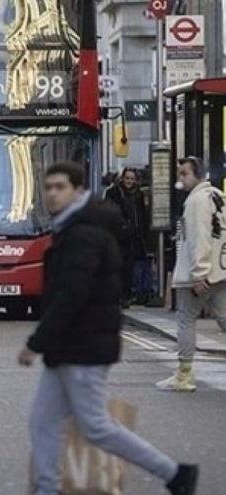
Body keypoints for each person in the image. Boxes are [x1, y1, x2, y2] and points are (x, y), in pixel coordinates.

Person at [18, 162, 198, 495]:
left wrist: (37, 342)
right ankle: (46, 488)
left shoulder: (84, 233)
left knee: (96, 427)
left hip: (84, 348)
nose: (53, 193)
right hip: (68, 347)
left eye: (60, 187)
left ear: (78, 191)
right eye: (48, 187)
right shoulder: (71, 228)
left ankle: (174, 473)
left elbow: (72, 294)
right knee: (42, 422)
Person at [157, 156, 226, 392]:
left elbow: (199, 238)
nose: (181, 179)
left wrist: (199, 273)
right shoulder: (219, 195)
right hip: (220, 269)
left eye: (184, 174)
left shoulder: (196, 201)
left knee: (185, 320)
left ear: (197, 174)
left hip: (200, 274)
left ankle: (184, 376)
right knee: (224, 318)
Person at [103, 167, 150, 307]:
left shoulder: (138, 195)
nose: (129, 181)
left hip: (133, 236)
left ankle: (126, 295)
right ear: (122, 179)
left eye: (132, 179)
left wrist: (142, 232)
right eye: (127, 178)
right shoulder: (113, 193)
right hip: (117, 236)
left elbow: (141, 215)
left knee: (129, 267)